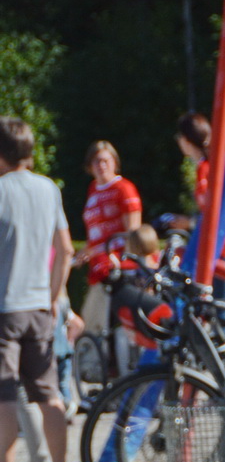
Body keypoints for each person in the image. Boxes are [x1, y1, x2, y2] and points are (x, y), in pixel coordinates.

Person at [0, 115, 74, 462]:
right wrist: (56, 293)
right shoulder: (48, 189)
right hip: (40, 307)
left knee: (5, 397)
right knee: (50, 396)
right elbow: (65, 249)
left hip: (4, 306)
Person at [169, 111, 225, 311]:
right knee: (212, 314)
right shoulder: (208, 166)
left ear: (187, 140)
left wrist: (189, 222)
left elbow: (218, 214)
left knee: (220, 317)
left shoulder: (207, 169)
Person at [77, 140, 141, 337]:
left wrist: (125, 261)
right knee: (93, 327)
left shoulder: (124, 189)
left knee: (95, 326)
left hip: (119, 269)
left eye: (106, 160)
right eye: (96, 161)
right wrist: (87, 251)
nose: (101, 165)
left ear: (115, 162)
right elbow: (97, 233)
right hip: (98, 268)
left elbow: (133, 233)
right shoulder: (93, 189)